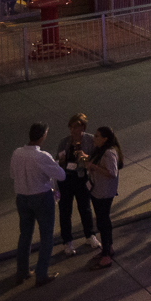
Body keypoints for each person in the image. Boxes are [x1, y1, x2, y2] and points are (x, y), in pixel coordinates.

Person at [12, 122, 65, 288]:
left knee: (25, 235)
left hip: (22, 198)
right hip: (41, 197)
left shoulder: (17, 153)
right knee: (46, 236)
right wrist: (58, 163)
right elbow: (61, 175)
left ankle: (23, 271)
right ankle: (41, 274)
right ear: (43, 136)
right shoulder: (42, 156)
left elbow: (13, 174)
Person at [55, 112, 98, 257]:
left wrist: (85, 158)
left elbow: (96, 159)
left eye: (76, 127)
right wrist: (62, 161)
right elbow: (58, 160)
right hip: (66, 179)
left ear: (83, 127)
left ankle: (90, 235)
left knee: (85, 208)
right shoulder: (64, 142)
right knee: (65, 211)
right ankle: (67, 241)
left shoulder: (90, 140)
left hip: (81, 178)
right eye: (71, 127)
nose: (73, 131)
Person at [83, 126, 122, 269]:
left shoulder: (109, 153)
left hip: (104, 193)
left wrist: (93, 167)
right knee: (103, 221)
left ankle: (106, 255)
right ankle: (108, 249)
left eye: (97, 136)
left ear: (105, 139)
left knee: (103, 223)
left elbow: (112, 173)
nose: (94, 138)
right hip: (98, 191)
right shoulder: (100, 151)